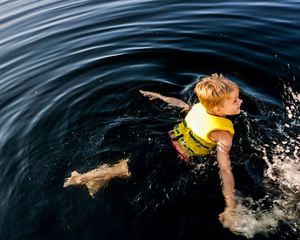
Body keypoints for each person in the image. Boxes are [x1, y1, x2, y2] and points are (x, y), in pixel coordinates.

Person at [140, 73, 243, 231]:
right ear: (218, 109)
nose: (241, 101)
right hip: (177, 158)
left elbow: (182, 105)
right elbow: (225, 169)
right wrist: (231, 205)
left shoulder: (199, 107)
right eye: (235, 100)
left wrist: (159, 97)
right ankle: (96, 176)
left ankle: (97, 176)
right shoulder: (223, 134)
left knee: (133, 167)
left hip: (163, 141)